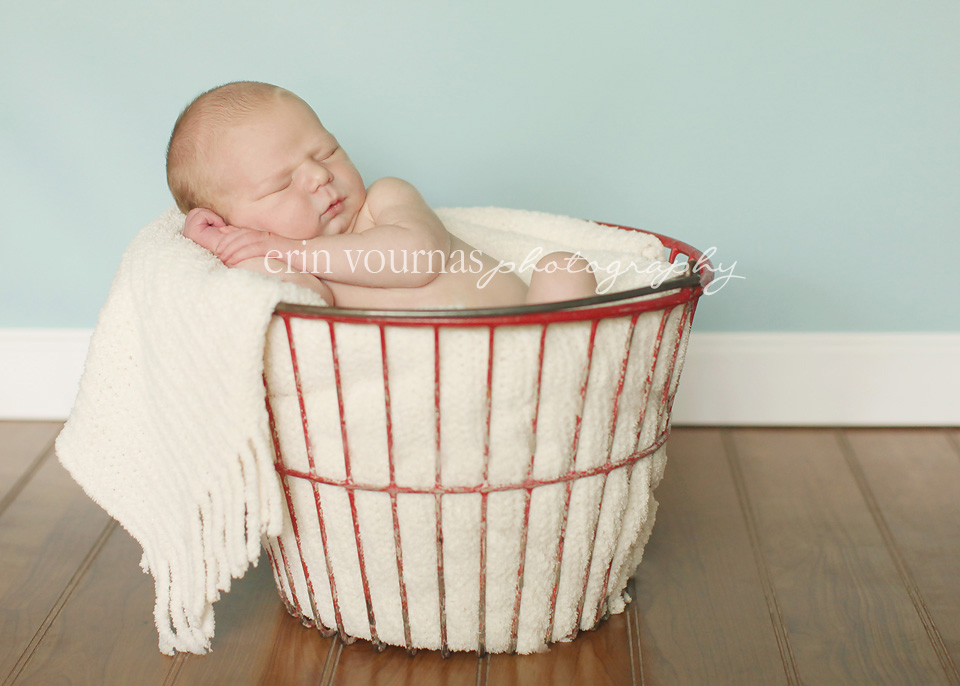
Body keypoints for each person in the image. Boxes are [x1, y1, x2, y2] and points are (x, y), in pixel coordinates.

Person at [167, 81, 597, 308]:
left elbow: (419, 257)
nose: (319, 175)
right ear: (238, 224)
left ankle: (564, 383)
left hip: (533, 335)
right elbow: (285, 301)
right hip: (443, 386)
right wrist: (223, 244)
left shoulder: (383, 201)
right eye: (282, 183)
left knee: (564, 267)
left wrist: (283, 245)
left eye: (326, 151)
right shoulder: (302, 275)